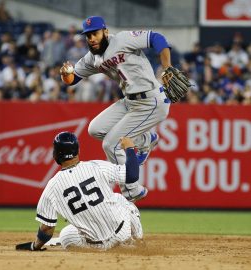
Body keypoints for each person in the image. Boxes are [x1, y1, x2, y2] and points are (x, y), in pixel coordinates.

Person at [60, 16, 172, 196]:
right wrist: (66, 75)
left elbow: (156, 38)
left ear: (105, 31)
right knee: (95, 129)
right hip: (130, 101)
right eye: (88, 36)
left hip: (151, 100)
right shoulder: (92, 58)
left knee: (111, 144)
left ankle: (131, 189)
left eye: (95, 34)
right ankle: (146, 140)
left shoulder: (122, 39)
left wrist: (166, 67)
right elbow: (73, 79)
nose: (91, 39)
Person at [15, 132, 144, 251]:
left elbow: (47, 228)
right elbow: (132, 175)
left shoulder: (52, 186)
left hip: (97, 246)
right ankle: (138, 240)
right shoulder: (96, 166)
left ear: (55, 154)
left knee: (65, 234)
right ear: (78, 150)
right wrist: (129, 148)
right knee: (119, 199)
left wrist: (35, 246)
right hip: (122, 234)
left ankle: (103, 247)